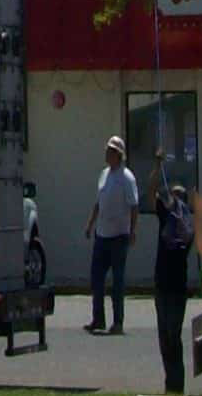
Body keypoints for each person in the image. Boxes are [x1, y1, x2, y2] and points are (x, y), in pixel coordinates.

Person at [146, 154, 196, 393]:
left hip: (176, 289)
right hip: (162, 285)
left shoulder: (185, 228)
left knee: (172, 337)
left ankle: (177, 386)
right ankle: (171, 385)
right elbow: (151, 190)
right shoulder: (167, 219)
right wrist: (157, 166)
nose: (172, 199)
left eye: (177, 196)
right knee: (164, 339)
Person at [81, 133, 138, 334]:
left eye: (110, 151)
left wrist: (133, 231)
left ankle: (118, 322)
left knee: (117, 281)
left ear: (118, 154)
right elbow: (98, 203)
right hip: (102, 235)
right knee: (96, 277)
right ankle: (98, 319)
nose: (106, 153)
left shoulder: (127, 178)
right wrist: (90, 224)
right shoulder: (104, 174)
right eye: (107, 150)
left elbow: (134, 206)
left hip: (119, 237)